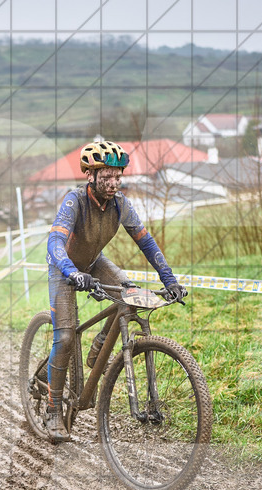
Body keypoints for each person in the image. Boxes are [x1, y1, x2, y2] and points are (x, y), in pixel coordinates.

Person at [44, 140, 187, 443]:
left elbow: (146, 242)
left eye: (117, 176)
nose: (113, 183)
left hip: (94, 262)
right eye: (106, 176)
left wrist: (169, 279)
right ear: (91, 176)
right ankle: (53, 409)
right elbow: (54, 243)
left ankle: (98, 348)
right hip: (64, 267)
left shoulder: (121, 204)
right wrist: (72, 273)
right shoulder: (74, 201)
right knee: (66, 336)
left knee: (131, 294)